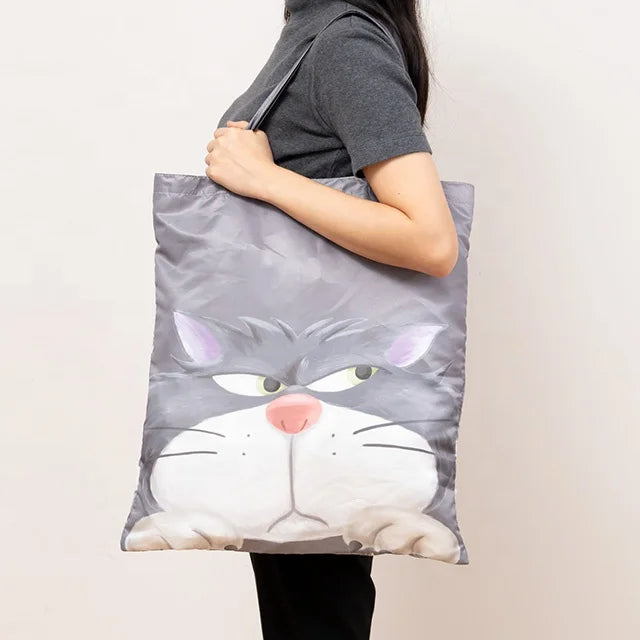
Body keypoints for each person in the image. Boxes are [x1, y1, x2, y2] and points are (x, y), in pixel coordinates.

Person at [204, 1, 458, 638]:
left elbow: (430, 240)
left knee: (315, 613)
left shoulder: (344, 42)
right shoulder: (313, 29)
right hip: (287, 382)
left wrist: (264, 179)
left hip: (315, 392)